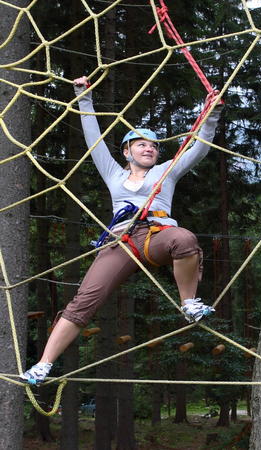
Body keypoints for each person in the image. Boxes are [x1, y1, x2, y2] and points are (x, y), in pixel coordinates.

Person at [20, 76, 223, 384]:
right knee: (83, 302)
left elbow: (200, 146)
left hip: (157, 234)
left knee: (185, 239)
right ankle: (43, 364)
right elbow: (94, 140)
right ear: (127, 152)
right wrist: (82, 96)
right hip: (121, 241)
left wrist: (214, 112)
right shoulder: (113, 173)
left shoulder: (165, 171)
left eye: (154, 146)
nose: (150, 149)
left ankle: (188, 303)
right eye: (142, 144)